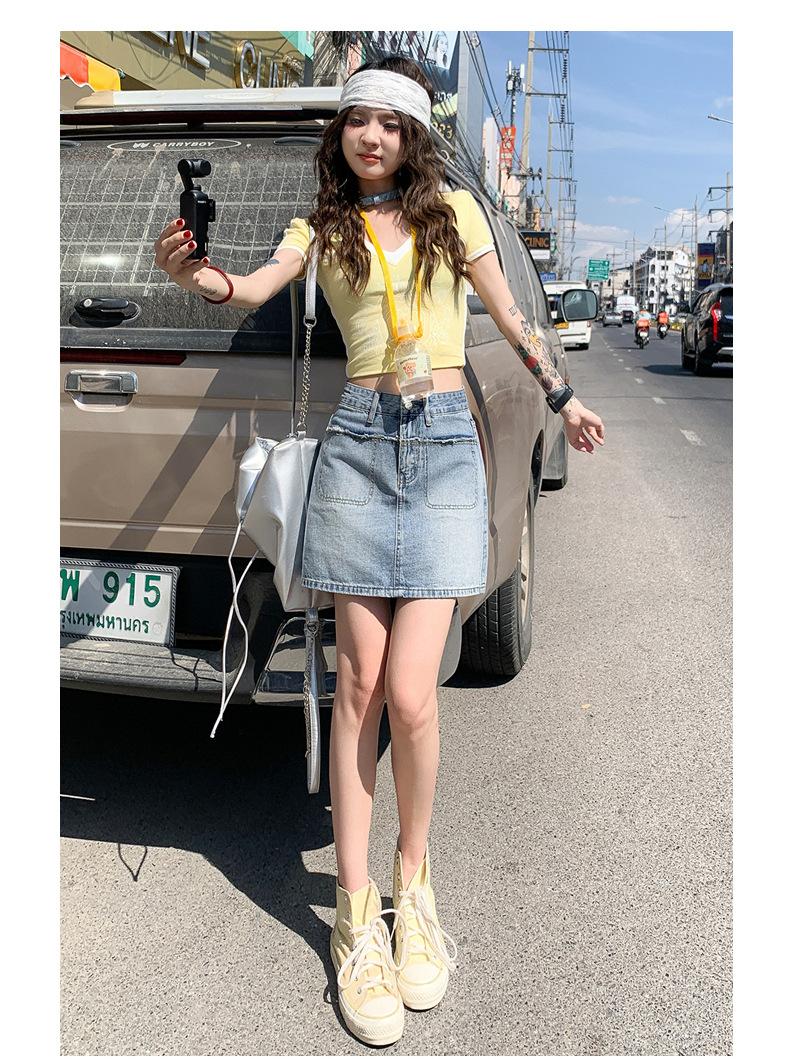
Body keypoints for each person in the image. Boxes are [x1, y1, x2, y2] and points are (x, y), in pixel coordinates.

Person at [154, 54, 605, 1047]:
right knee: (357, 687)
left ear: (414, 137)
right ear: (342, 133)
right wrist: (197, 275)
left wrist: (564, 396)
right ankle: (356, 918)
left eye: (391, 124)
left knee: (412, 692)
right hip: (357, 448)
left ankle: (415, 887)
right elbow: (249, 287)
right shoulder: (320, 228)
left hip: (443, 453)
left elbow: (510, 316)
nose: (372, 136)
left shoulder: (459, 217)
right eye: (358, 120)